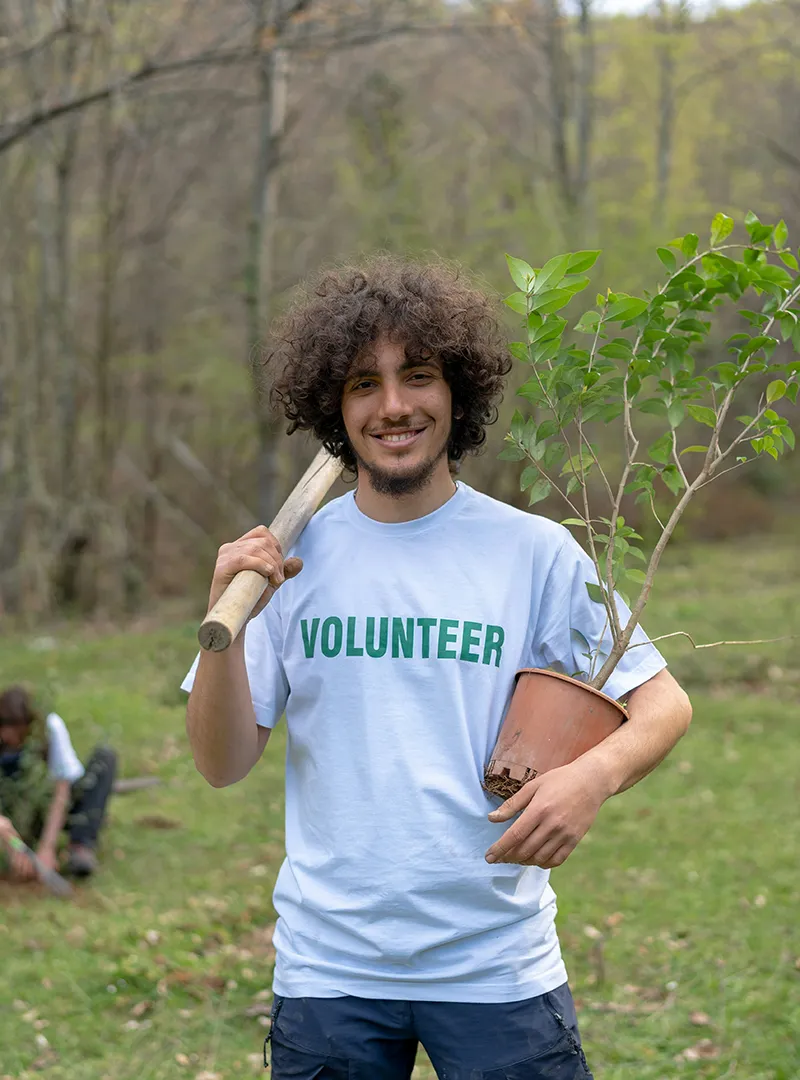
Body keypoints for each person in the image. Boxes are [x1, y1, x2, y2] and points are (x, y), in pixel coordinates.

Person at [183, 256, 692, 1079]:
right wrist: (229, 631)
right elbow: (220, 763)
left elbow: (664, 704)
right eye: (362, 384)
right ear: (332, 407)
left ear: (457, 392)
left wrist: (589, 779)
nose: (393, 406)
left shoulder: (534, 552)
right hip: (330, 971)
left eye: (416, 376)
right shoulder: (284, 562)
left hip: (496, 967)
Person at [0, 686, 117, 879]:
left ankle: (80, 846)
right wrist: (10, 841)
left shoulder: (49, 729)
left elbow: (61, 790)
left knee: (105, 758)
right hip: (12, 812)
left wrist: (47, 847)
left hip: (45, 808)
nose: (9, 737)